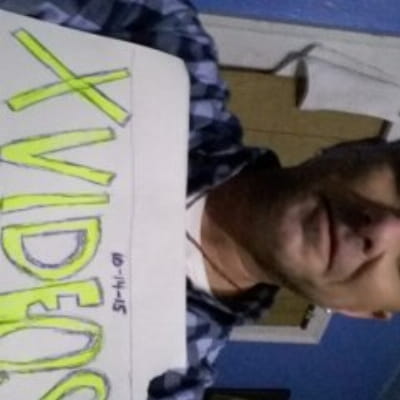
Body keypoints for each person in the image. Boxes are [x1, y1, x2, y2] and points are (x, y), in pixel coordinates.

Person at [2, 1, 400, 399]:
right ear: (353, 147)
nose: (384, 228)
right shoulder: (160, 37)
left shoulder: (163, 386)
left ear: (360, 311)